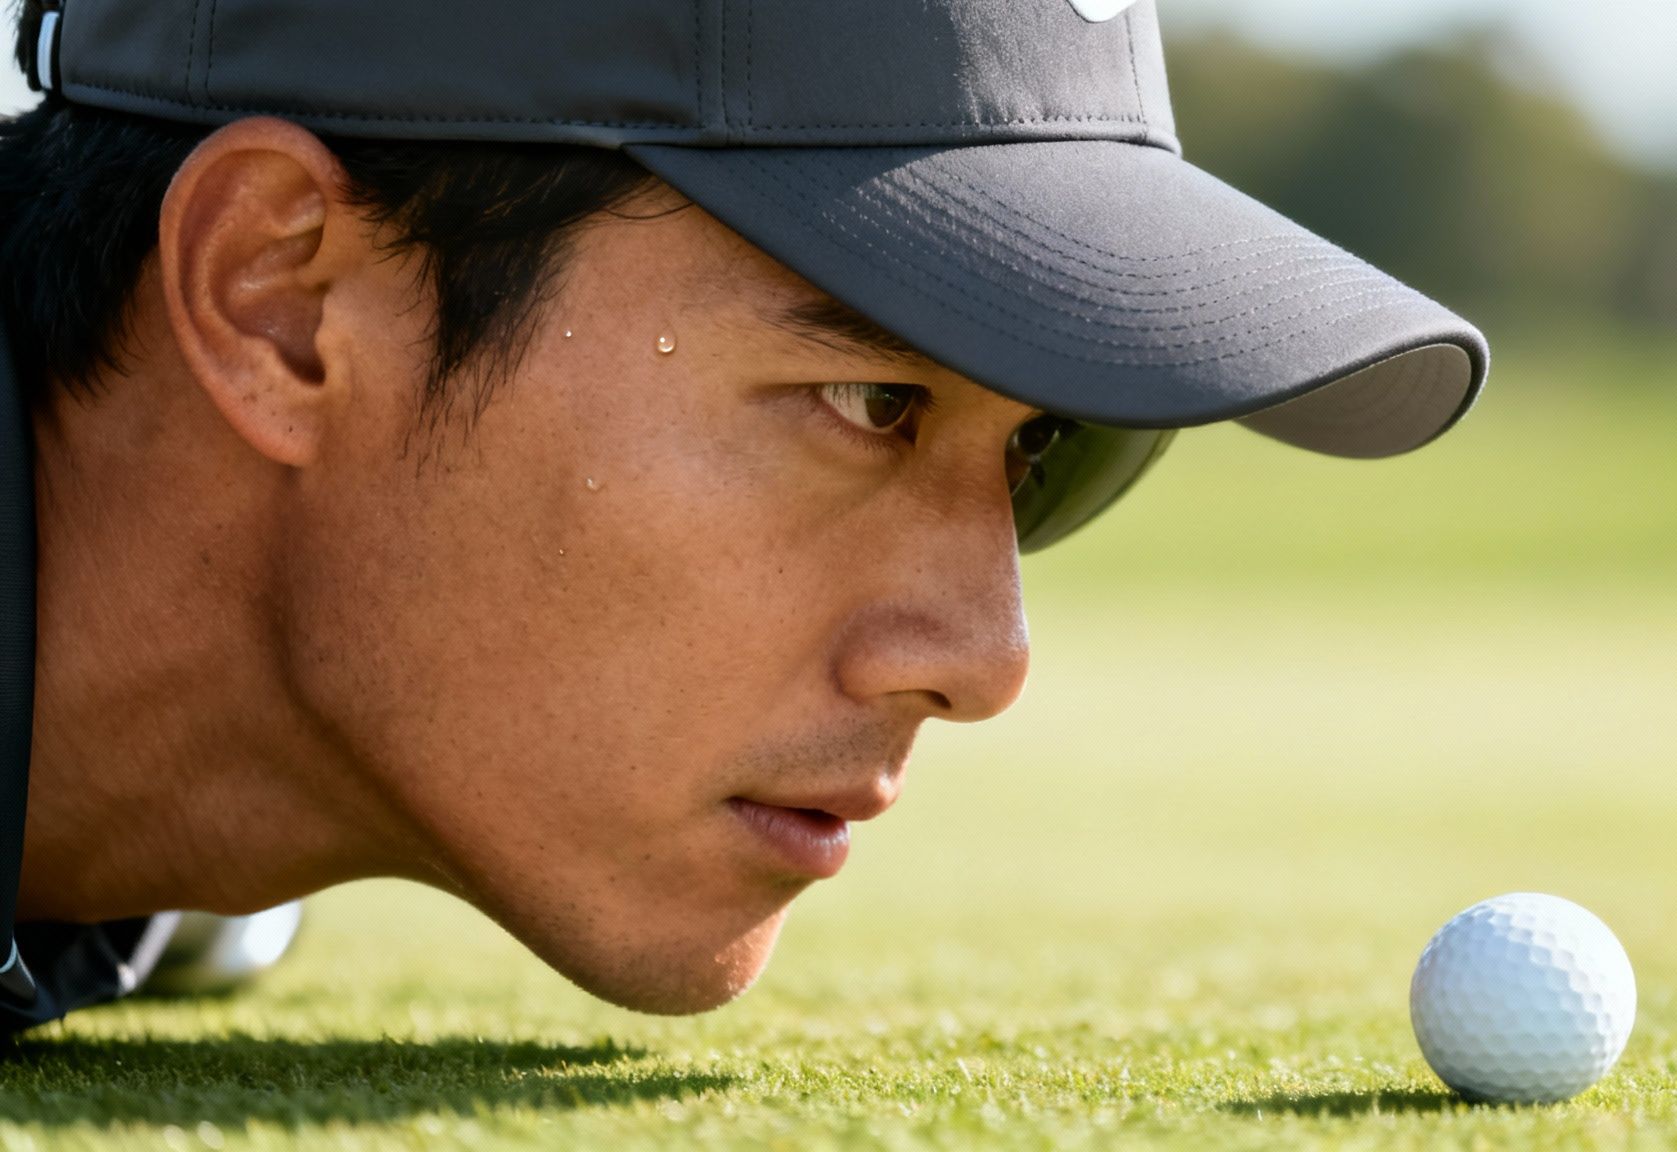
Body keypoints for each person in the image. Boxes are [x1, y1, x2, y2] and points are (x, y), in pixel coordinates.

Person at [0, 0, 1488, 1035]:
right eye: (867, 401)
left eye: (1033, 445)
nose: (985, 659)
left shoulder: (160, 874)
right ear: (285, 302)